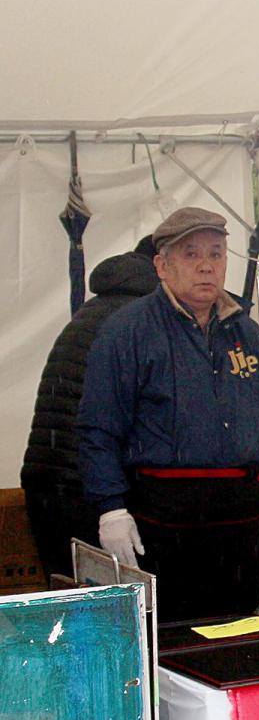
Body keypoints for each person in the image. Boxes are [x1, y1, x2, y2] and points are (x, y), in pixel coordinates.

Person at [76, 208, 259, 623]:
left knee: (240, 632)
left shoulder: (247, 332)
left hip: (239, 523)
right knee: (173, 638)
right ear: (162, 265)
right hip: (164, 520)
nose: (205, 266)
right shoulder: (127, 331)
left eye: (216, 254)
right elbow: (98, 430)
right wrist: (111, 508)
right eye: (191, 254)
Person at [22, 238, 161, 580]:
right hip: (86, 485)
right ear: (162, 265)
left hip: (45, 476)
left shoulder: (96, 308)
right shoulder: (139, 318)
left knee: (67, 602)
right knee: (110, 610)